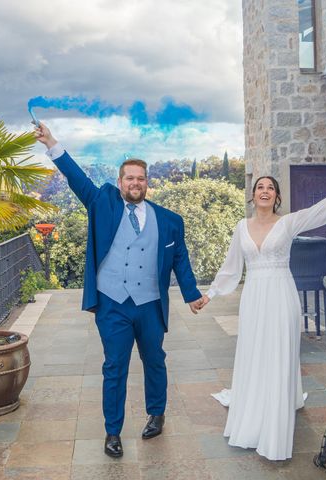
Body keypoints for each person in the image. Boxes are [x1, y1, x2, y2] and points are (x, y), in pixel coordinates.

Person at [34, 122, 204, 458]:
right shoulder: (103, 203)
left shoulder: (170, 220)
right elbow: (76, 178)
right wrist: (51, 142)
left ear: (147, 183)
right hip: (113, 304)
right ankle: (113, 431)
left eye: (141, 178)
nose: (135, 183)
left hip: (151, 305)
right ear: (120, 182)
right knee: (115, 367)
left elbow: (179, 260)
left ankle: (156, 413)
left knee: (155, 360)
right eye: (130, 178)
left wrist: (191, 293)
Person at [198, 164, 326, 461]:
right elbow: (231, 268)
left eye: (270, 187)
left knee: (279, 352)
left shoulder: (289, 222)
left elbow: (322, 210)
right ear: (252, 196)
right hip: (253, 297)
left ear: (276, 197)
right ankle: (254, 408)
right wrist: (210, 294)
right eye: (260, 187)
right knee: (254, 352)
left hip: (281, 294)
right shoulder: (241, 228)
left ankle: (276, 423)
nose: (264, 191)